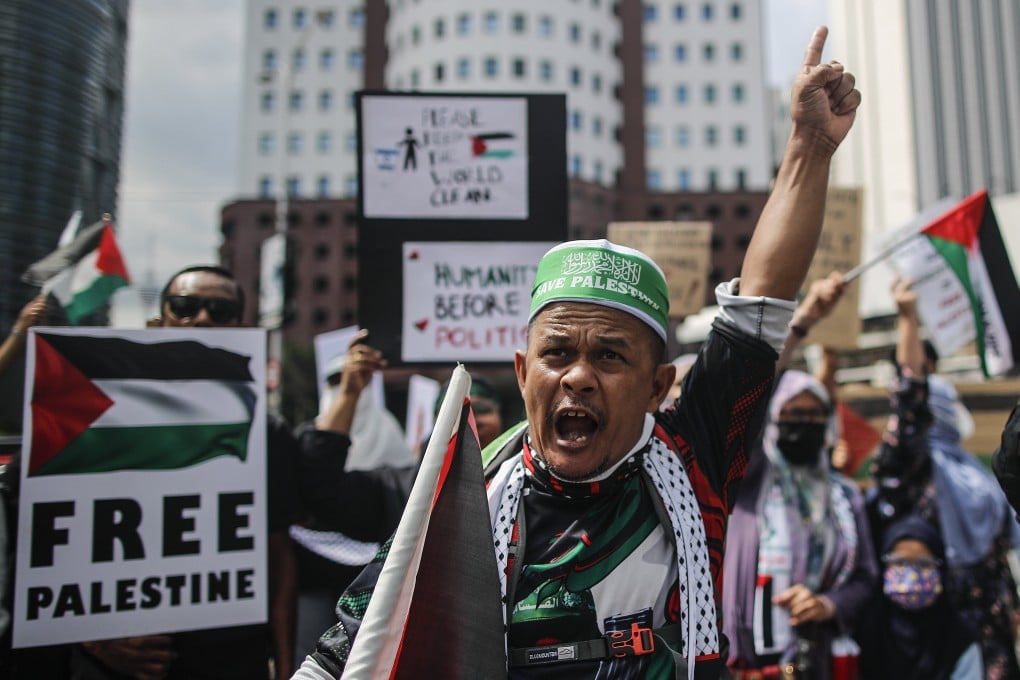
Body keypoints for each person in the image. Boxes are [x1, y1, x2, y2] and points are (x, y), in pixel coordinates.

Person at [294, 25, 861, 679]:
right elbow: (344, 653)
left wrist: (811, 147)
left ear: (658, 387)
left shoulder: (695, 456)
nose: (579, 377)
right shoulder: (457, 508)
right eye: (557, 352)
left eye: (611, 357)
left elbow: (758, 311)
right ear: (520, 371)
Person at [72, 265, 300, 680]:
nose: (203, 319)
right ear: (157, 322)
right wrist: (92, 639)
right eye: (185, 306)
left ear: (241, 327)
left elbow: (277, 557)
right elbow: (50, 551)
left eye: (220, 310)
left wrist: (285, 670)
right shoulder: (92, 419)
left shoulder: (266, 432)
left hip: (229, 660)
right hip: (116, 663)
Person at [868, 278, 1020, 679]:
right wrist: (907, 318)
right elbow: (911, 402)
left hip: (991, 627)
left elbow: (1001, 549)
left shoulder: (975, 471)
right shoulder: (912, 464)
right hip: (938, 627)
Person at [723, 370, 877, 679]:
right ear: (774, 418)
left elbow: (865, 576)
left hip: (814, 659)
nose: (804, 422)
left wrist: (827, 605)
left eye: (814, 414)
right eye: (793, 413)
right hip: (745, 664)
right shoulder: (750, 484)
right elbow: (744, 407)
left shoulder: (845, 497)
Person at [857, 513, 983, 679]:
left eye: (924, 564)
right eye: (900, 563)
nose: (912, 575)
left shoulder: (959, 639)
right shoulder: (864, 633)